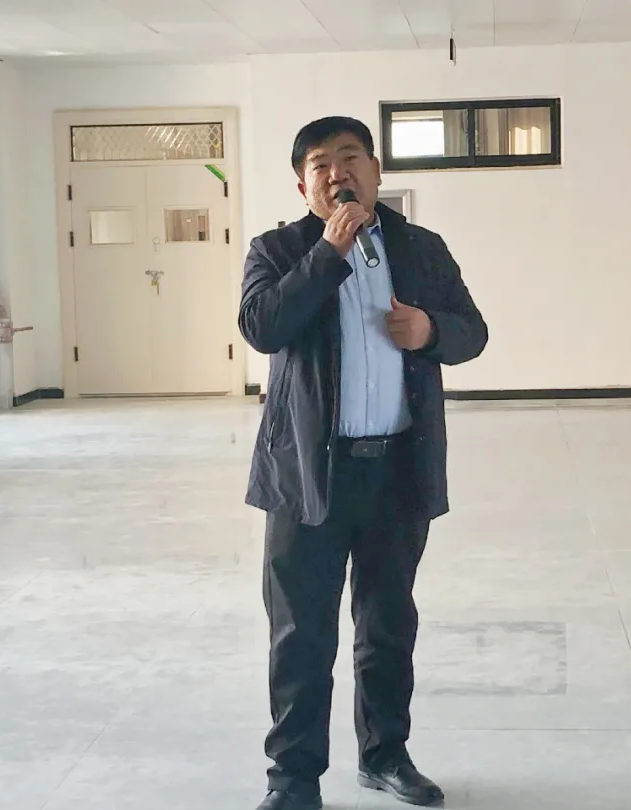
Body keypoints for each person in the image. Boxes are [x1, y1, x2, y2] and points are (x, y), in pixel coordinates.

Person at [238, 116, 488, 810]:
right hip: (306, 476)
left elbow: (472, 332)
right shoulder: (277, 250)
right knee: (300, 634)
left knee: (387, 625)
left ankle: (385, 757)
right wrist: (328, 252)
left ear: (376, 172)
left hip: (396, 472)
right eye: (320, 164)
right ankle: (292, 781)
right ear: (303, 186)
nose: (337, 172)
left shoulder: (421, 249)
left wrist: (430, 330)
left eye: (351, 158)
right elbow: (262, 326)